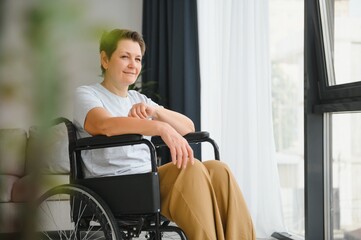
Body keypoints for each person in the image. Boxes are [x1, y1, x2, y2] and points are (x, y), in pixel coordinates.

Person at [73, 28, 255, 240]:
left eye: (138, 59)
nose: (133, 65)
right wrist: (160, 128)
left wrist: (156, 112)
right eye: (125, 57)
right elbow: (104, 125)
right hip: (115, 185)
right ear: (105, 59)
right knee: (191, 167)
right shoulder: (87, 94)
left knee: (219, 170)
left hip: (148, 180)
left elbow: (188, 127)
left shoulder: (138, 99)